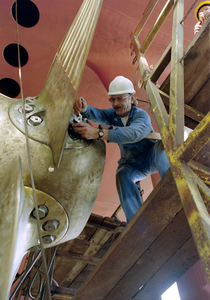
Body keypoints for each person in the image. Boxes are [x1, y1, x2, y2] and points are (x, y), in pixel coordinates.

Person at [72, 76, 170, 223]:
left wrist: (98, 133)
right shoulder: (113, 115)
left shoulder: (141, 115)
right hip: (132, 164)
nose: (115, 104)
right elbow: (99, 114)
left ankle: (173, 189)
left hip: (151, 157)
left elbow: (135, 133)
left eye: (120, 99)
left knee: (162, 147)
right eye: (112, 100)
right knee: (122, 174)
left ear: (132, 98)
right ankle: (136, 223)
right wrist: (85, 108)